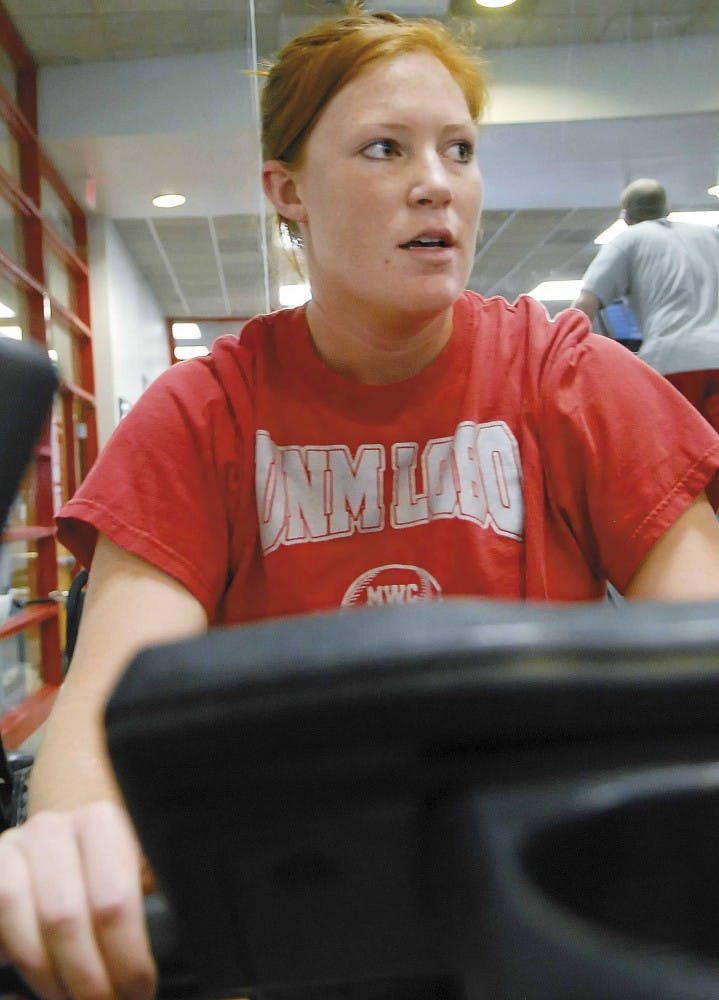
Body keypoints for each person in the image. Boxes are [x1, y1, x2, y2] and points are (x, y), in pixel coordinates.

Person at [2, 9, 719, 999]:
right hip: (293, 922)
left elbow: (701, 649)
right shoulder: (205, 411)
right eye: (384, 148)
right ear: (285, 191)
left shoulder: (566, 375)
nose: (437, 182)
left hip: (544, 903)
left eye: (458, 149)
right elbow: (106, 702)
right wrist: (66, 851)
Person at [572, 178, 719, 504]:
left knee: (686, 474)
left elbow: (586, 305)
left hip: (673, 364)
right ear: (667, 208)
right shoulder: (711, 234)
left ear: (625, 216)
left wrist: (563, 356)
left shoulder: (628, 240)